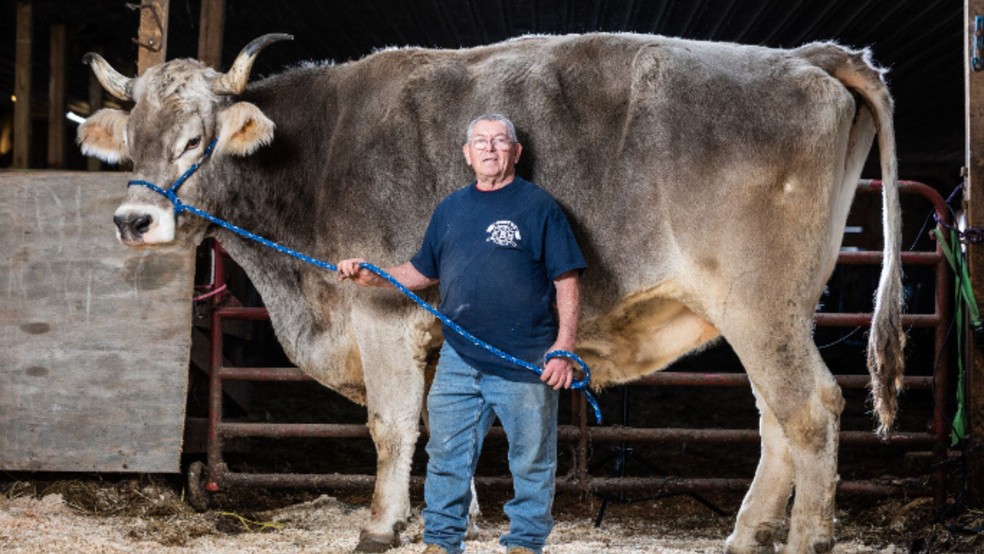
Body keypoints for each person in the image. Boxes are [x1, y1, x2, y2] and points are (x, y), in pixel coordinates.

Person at [338, 113, 586, 554]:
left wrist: (563, 347)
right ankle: (441, 542)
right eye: (480, 142)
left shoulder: (538, 207)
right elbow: (421, 271)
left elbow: (567, 280)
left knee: (531, 461)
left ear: (516, 151)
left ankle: (526, 544)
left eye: (499, 141)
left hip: (525, 359)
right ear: (467, 154)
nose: (490, 149)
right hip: (459, 359)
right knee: (446, 459)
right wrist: (373, 275)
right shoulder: (451, 209)